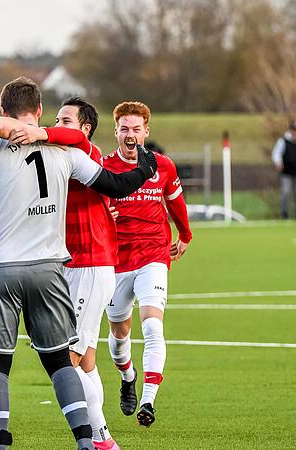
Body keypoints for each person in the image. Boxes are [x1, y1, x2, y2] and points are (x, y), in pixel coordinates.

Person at [0, 77, 157, 450]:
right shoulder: (64, 148)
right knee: (62, 360)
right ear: (41, 111)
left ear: (2, 111)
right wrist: (144, 169)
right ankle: (84, 440)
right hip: (49, 269)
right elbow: (114, 184)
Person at [102, 101, 192, 428]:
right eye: (124, 128)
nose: (130, 134)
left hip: (154, 254)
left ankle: (148, 400)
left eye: (136, 129)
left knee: (152, 325)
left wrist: (185, 234)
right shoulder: (103, 167)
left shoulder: (163, 166)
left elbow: (175, 201)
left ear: (146, 132)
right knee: (119, 332)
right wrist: (104, 215)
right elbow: (90, 208)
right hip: (115, 259)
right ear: (116, 132)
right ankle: (128, 376)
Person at [46, 96, 121, 449]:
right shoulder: (67, 154)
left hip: (90, 262)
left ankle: (100, 439)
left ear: (84, 128)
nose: (57, 125)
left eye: (65, 120)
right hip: (77, 263)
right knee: (86, 360)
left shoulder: (85, 152)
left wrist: (31, 130)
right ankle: (104, 438)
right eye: (56, 119)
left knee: (67, 358)